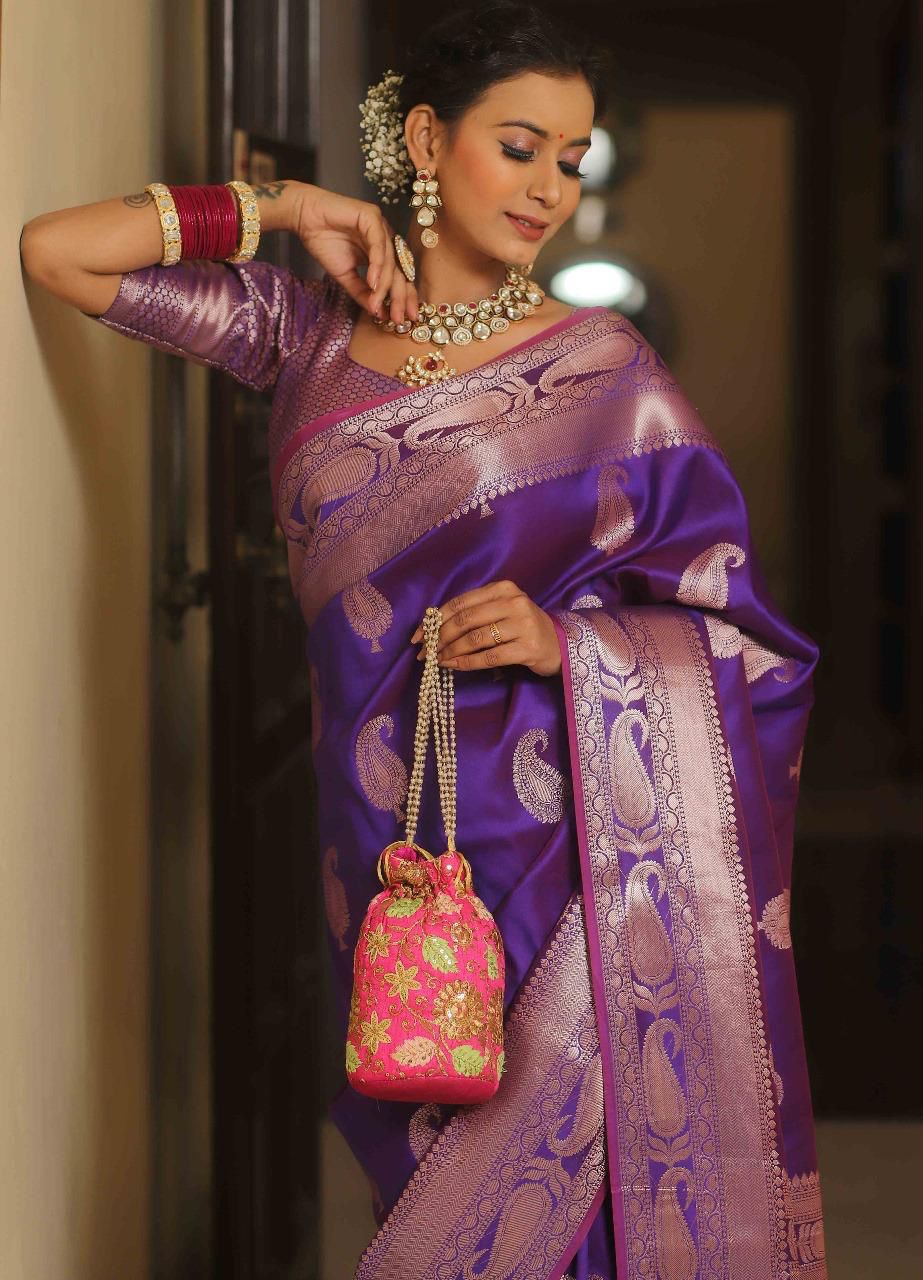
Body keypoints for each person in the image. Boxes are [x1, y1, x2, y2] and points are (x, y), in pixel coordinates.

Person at [20, 4, 829, 1277]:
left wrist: (574, 647)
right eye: (520, 146)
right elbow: (57, 252)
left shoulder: (607, 371)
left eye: (571, 159)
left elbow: (748, 636)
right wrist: (286, 206)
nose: (549, 187)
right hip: (388, 850)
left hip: (567, 850)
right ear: (423, 139)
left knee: (586, 1200)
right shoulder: (304, 338)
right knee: (429, 1177)